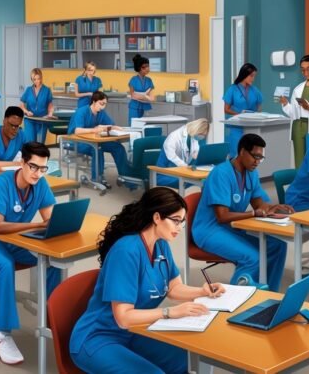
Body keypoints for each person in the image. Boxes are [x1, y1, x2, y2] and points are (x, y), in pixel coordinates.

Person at [70, 187, 224, 374]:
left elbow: (174, 288)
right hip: (98, 338)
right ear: (157, 217)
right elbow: (123, 318)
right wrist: (170, 312)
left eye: (182, 222)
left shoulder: (161, 245)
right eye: (175, 221)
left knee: (189, 360)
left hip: (134, 332)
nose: (180, 228)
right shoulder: (126, 251)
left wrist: (202, 291)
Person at [0, 142, 62, 365]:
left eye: (42, 168)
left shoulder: (40, 184)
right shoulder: (0, 184)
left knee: (52, 258)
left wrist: (53, 224)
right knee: (4, 264)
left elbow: (50, 218)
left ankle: (53, 318)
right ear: (21, 163)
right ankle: (3, 336)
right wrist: (35, 227)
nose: (38, 173)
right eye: (33, 167)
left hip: (15, 240)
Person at [192, 134, 293, 291]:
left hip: (231, 227)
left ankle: (270, 295)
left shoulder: (251, 173)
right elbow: (222, 216)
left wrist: (272, 208)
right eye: (255, 156)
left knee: (278, 246)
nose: (258, 162)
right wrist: (253, 214)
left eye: (261, 158)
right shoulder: (221, 174)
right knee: (252, 258)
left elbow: (258, 203)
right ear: (242, 152)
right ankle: (235, 300)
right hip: (209, 230)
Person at [67, 91, 130, 189]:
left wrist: (115, 127)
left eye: (105, 104)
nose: (103, 106)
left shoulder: (101, 112)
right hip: (77, 141)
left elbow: (109, 124)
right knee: (97, 148)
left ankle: (125, 175)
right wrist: (95, 129)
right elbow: (77, 130)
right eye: (101, 103)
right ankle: (97, 178)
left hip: (94, 140)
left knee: (118, 147)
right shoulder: (81, 111)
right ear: (94, 101)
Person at [155, 118, 209, 188]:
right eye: (201, 134)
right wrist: (187, 167)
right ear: (196, 129)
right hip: (165, 174)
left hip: (182, 173)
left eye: (204, 135)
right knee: (193, 181)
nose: (202, 137)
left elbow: (195, 154)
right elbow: (172, 157)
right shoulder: (174, 137)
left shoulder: (193, 137)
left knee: (207, 180)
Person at [223, 63, 263, 158]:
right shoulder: (232, 89)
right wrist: (239, 114)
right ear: (244, 74)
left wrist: (255, 115)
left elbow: (259, 108)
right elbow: (226, 109)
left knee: (250, 154)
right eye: (251, 76)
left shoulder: (255, 90)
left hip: (251, 126)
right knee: (236, 153)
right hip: (237, 126)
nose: (253, 79)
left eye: (254, 76)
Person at [19, 68, 53, 143]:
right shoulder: (28, 90)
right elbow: (21, 105)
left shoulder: (47, 90)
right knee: (30, 143)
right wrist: (26, 112)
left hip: (42, 120)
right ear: (32, 79)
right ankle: (29, 155)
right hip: (30, 119)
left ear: (41, 78)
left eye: (38, 78)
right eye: (34, 79)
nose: (37, 81)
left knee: (40, 144)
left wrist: (50, 114)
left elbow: (50, 105)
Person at [127, 54, 154, 125]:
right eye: (144, 67)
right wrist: (145, 97)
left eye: (148, 66)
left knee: (145, 127)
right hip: (134, 107)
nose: (147, 69)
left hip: (145, 107)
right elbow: (133, 95)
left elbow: (152, 97)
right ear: (139, 68)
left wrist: (144, 97)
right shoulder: (133, 80)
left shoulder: (149, 80)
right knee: (134, 126)